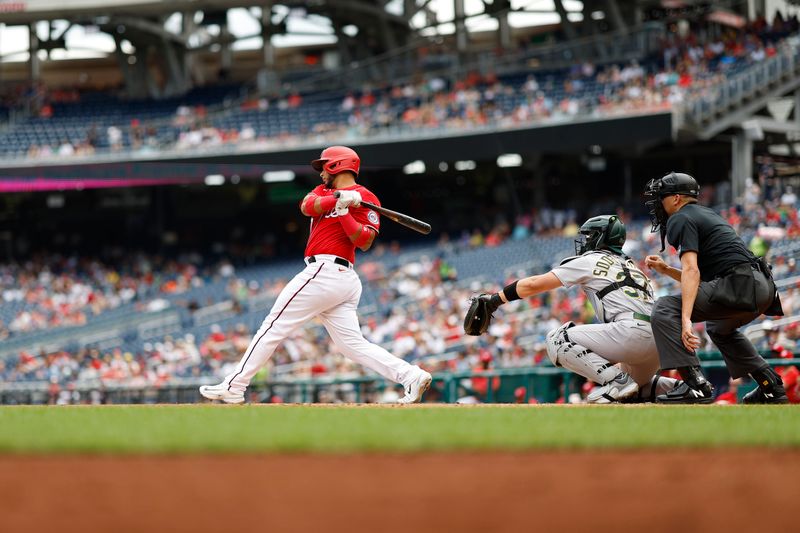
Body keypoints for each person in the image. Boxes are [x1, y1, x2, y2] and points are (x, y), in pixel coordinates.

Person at [200, 146, 432, 404]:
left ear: (337, 166)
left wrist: (346, 213)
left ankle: (235, 385)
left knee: (273, 326)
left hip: (328, 272)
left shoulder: (367, 197)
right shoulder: (324, 192)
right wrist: (338, 200)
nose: (321, 172)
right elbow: (307, 207)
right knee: (351, 345)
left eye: (325, 166)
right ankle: (410, 375)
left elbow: (364, 241)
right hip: (333, 278)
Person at [468, 215, 681, 403]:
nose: (585, 241)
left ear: (600, 238)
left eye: (590, 236)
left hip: (630, 333)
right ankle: (681, 388)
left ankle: (617, 381)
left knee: (557, 339)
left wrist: (496, 299)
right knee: (632, 391)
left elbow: (534, 284)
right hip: (657, 342)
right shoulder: (634, 268)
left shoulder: (590, 259)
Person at [643, 171, 787, 403]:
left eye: (663, 196)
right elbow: (701, 276)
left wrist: (686, 319)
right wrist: (667, 271)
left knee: (664, 308)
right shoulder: (705, 214)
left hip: (740, 284)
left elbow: (692, 270)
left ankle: (695, 385)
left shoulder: (679, 217)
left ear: (677, 198)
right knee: (719, 328)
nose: (660, 202)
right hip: (762, 287)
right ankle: (771, 386)